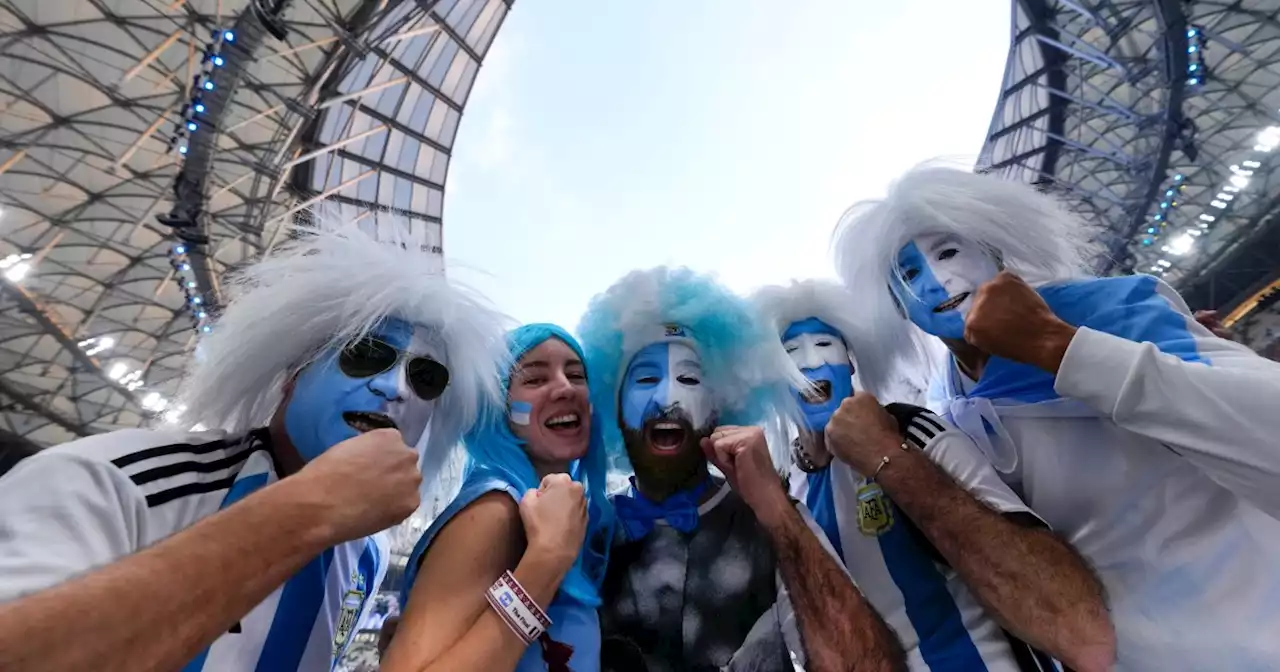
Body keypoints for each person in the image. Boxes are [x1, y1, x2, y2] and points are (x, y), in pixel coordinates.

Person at [0, 223, 508, 672]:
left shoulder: (370, 552)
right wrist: (310, 511)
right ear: (292, 375)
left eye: (426, 377)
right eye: (367, 354)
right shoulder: (115, 480)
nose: (396, 388)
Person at [834, 164, 1280, 670]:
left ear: (994, 250)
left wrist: (1061, 346)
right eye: (909, 275)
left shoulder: (1109, 307)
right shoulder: (942, 404)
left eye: (948, 251)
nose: (936, 283)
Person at [753, 279, 1113, 671]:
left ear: (851, 361)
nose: (810, 362)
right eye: (790, 354)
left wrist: (889, 457)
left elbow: (1076, 626)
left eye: (825, 346)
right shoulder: (782, 491)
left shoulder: (912, 431)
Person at [577, 266, 905, 672]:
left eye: (689, 378)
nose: (667, 398)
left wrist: (776, 513)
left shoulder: (772, 514)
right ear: (613, 402)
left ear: (721, 403)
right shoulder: (584, 529)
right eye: (646, 378)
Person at [382, 324, 615, 672]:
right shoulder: (497, 511)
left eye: (577, 375)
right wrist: (546, 561)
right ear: (500, 411)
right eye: (535, 380)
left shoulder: (555, 517)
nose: (565, 388)